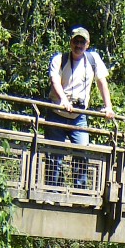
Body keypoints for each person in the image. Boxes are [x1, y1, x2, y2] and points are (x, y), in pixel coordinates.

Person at [44, 25, 114, 188]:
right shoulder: (59, 59)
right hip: (57, 112)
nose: (79, 45)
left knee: (82, 152)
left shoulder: (93, 59)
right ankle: (52, 191)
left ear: (87, 44)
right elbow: (54, 81)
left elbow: (102, 82)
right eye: (76, 41)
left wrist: (108, 106)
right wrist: (63, 100)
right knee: (55, 155)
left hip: (78, 116)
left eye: (82, 42)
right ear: (71, 43)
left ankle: (80, 193)